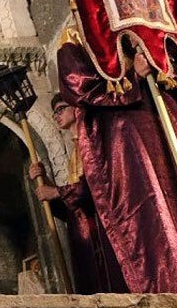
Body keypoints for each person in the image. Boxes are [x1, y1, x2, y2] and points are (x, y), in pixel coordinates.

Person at [58, 30, 177, 292]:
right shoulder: (76, 34)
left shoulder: (144, 23)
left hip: (167, 117)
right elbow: (79, 84)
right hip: (125, 135)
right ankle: (176, 283)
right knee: (153, 214)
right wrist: (132, 77)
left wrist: (160, 56)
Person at [28, 93, 126, 294]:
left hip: (103, 227)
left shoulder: (92, 140)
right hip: (85, 233)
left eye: (61, 108)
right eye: (54, 112)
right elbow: (73, 206)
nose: (56, 115)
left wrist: (55, 191)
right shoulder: (74, 151)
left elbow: (95, 186)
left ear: (76, 107)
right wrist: (43, 180)